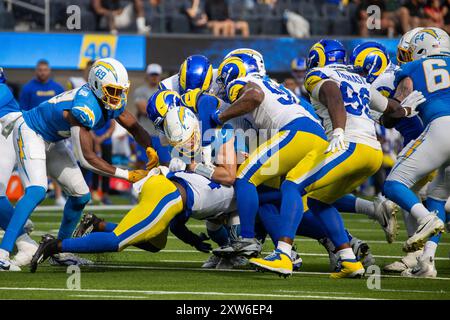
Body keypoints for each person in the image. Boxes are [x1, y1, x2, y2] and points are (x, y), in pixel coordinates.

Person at [0, 58, 159, 271]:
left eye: (121, 91)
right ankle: (2, 254)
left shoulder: (109, 100)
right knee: (37, 191)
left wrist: (150, 148)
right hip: (30, 131)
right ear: (96, 85)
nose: (117, 96)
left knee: (80, 195)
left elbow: (135, 127)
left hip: (52, 138)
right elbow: (87, 158)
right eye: (112, 90)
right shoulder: (85, 106)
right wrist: (127, 175)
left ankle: (60, 251)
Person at [383, 28, 450, 277]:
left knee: (393, 185)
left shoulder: (411, 69)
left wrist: (391, 111)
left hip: (442, 126)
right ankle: (427, 263)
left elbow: (393, 114)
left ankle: (425, 219)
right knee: (438, 197)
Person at [135, 63, 171, 166]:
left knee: (166, 163)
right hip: (146, 134)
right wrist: (162, 110)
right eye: (152, 75)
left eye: (156, 75)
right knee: (142, 163)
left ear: (160, 76)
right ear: (147, 76)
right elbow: (143, 109)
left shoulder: (165, 91)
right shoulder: (140, 91)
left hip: (162, 135)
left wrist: (152, 108)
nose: (154, 77)